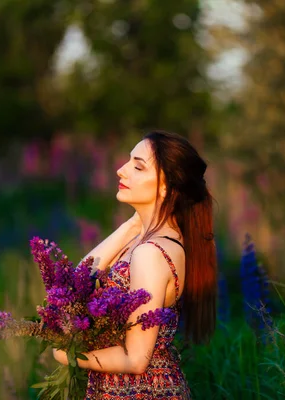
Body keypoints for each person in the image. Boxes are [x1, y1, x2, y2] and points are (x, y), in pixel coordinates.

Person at [53, 130, 218, 399]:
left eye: (138, 166)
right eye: (128, 161)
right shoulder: (151, 239)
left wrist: (69, 355)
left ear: (166, 187)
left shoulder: (151, 253)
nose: (121, 170)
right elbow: (76, 283)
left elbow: (136, 358)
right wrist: (133, 224)